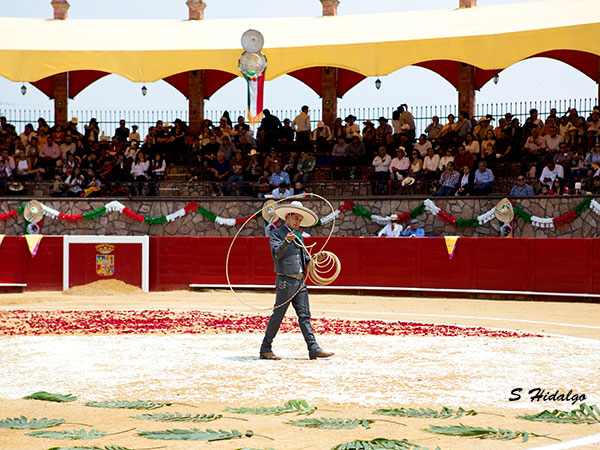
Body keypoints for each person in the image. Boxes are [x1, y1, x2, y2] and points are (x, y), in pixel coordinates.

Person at [259, 200, 334, 361]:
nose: (298, 222)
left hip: (300, 281)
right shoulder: (277, 234)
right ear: (288, 216)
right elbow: (277, 255)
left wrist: (313, 258)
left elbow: (303, 258)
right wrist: (287, 240)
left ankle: (313, 348)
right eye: (296, 219)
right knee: (278, 315)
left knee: (304, 315)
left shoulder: (298, 236)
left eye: (300, 220)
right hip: (285, 281)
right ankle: (265, 348)